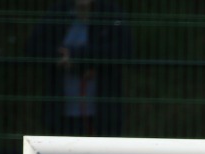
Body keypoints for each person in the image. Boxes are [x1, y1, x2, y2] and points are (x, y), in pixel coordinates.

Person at [25, 0, 134, 137]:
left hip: (103, 115)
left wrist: (79, 58)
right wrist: (62, 57)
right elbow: (33, 48)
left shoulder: (111, 13)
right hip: (62, 114)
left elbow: (124, 50)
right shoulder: (58, 12)